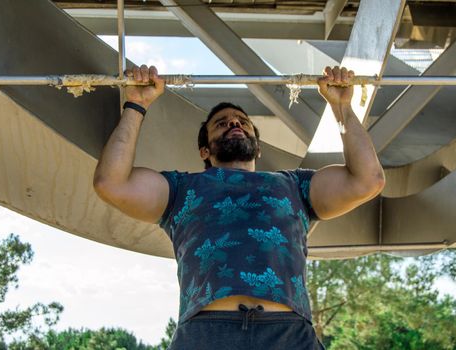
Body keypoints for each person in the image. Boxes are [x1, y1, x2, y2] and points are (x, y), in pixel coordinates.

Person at [93, 65, 385, 349]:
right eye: (221, 123)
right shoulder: (181, 189)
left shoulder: (295, 186)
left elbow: (367, 179)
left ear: (258, 147)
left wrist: (341, 107)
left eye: (242, 122)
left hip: (287, 333)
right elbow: (111, 183)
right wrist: (136, 104)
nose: (234, 123)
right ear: (204, 151)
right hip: (206, 333)